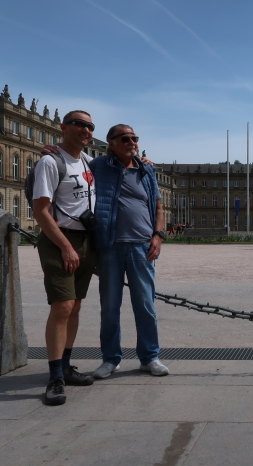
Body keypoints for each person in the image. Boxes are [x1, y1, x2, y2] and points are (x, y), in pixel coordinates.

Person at [90, 124, 169, 379]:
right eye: (125, 138)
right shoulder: (96, 166)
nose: (131, 142)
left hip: (141, 246)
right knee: (110, 307)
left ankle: (149, 357)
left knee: (145, 305)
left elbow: (158, 207)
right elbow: (68, 166)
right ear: (110, 142)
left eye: (134, 138)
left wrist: (157, 236)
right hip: (110, 246)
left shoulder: (146, 170)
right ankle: (111, 359)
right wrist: (54, 150)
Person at [32, 110, 97, 406]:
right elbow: (41, 211)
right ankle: (55, 376)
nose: (85, 130)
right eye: (79, 124)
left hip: (85, 239)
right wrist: (65, 247)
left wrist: (143, 162)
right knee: (62, 306)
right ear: (63, 127)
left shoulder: (88, 162)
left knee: (75, 307)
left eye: (89, 126)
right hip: (61, 239)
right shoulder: (50, 161)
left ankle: (66, 367)